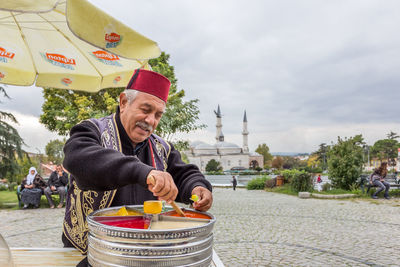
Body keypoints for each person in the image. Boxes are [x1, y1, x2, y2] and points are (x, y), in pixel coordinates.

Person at [62, 69, 213, 254]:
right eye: (145, 110)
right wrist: (144, 172)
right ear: (124, 102)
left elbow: (184, 175)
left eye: (158, 115)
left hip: (143, 250)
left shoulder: (163, 148)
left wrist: (197, 187)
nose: (150, 120)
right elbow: (77, 158)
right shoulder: (91, 130)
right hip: (93, 249)